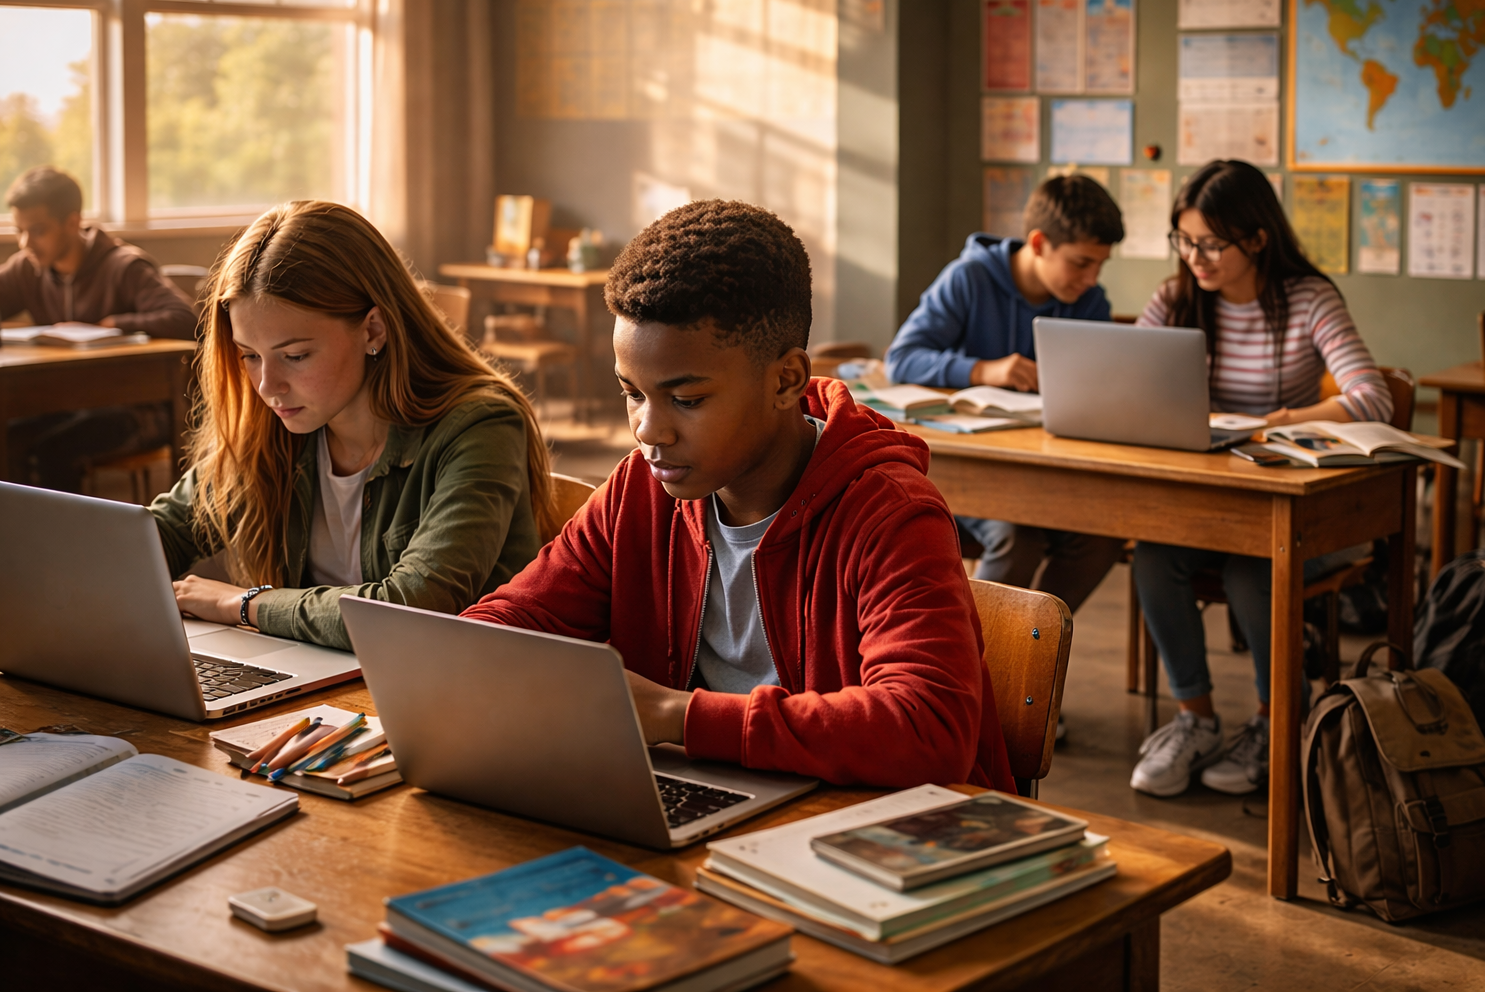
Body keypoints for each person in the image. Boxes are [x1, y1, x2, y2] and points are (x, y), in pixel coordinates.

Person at [463, 200, 1014, 791]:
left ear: (785, 380)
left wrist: (674, 714)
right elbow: (514, 619)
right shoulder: (641, 488)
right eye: (632, 393)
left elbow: (928, 730)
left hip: (875, 835)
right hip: (710, 799)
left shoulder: (890, 513)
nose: (649, 430)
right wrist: (470, 653)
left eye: (687, 400)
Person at [148, 200, 558, 650]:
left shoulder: (481, 425)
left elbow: (410, 607)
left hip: (454, 695)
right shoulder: (276, 425)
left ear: (373, 330)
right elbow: (161, 532)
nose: (267, 386)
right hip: (323, 686)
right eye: (249, 355)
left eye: (296, 356)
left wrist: (244, 605)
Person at [1129, 160, 1393, 799]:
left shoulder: (1308, 299)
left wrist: (1275, 420)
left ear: (1257, 238)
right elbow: (1130, 381)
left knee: (1256, 567)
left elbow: (1372, 398)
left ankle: (1279, 720)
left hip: (1296, 512)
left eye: (1211, 244)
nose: (1196, 257)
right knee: (1154, 555)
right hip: (1209, 504)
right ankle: (1196, 719)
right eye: (1184, 241)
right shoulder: (1175, 299)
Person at [883, 176, 1126, 616]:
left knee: (1102, 537)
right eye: (1080, 263)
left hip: (1051, 470)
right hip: (976, 471)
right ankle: (975, 667)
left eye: (1100, 266)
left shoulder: (1088, 301)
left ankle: (1035, 642)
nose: (1091, 279)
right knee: (1016, 537)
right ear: (1038, 243)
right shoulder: (969, 278)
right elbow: (902, 358)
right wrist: (982, 370)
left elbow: (1102, 386)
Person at [1, 166, 198, 491]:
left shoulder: (123, 266)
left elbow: (184, 319)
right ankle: (26, 539)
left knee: (55, 450)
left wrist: (110, 325)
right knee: (10, 436)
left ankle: (72, 541)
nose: (26, 243)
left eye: (37, 231)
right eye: (19, 231)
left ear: (73, 221)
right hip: (64, 403)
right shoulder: (28, 269)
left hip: (137, 411)